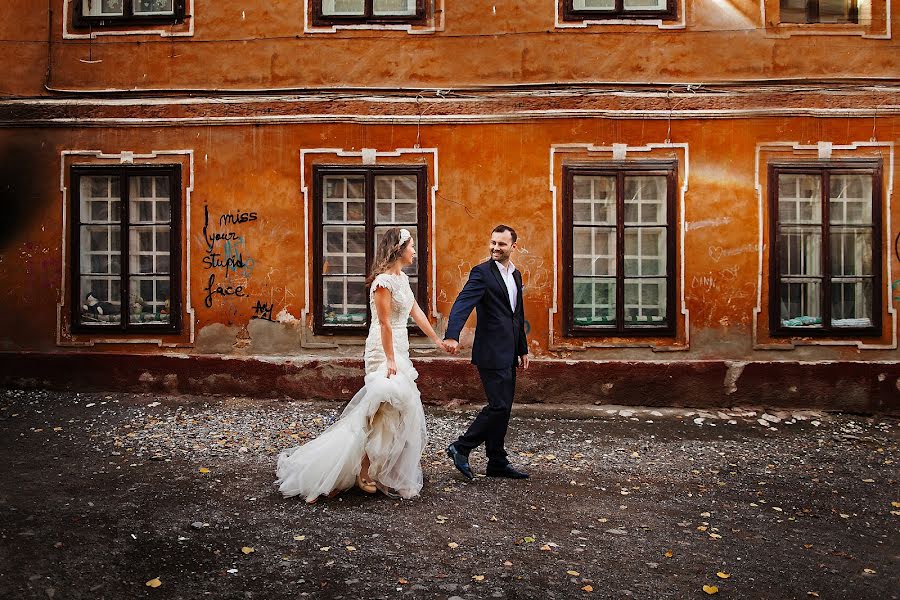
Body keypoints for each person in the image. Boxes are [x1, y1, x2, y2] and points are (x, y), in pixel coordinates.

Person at [276, 227, 447, 502]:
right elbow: (385, 324)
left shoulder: (402, 280)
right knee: (380, 409)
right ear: (399, 249)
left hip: (400, 350)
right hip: (383, 351)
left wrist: (437, 341)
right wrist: (390, 359)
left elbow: (416, 313)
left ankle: (374, 470)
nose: (415, 251)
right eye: (411, 246)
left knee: (394, 411)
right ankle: (352, 469)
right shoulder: (383, 283)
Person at [443, 224, 530, 480]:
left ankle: (497, 462)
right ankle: (461, 446)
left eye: (501, 244)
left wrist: (522, 348)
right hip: (490, 350)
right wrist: (452, 334)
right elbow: (462, 302)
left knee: (504, 407)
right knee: (499, 405)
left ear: (513, 247)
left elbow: (517, 315)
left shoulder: (516, 275)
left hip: (510, 350)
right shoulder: (481, 273)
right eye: (493, 242)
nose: (495, 247)